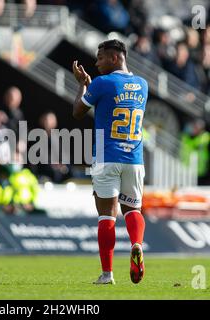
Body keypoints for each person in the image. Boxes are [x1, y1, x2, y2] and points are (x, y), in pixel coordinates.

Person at [72, 39, 148, 285]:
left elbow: (78, 112)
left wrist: (83, 86)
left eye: (100, 58)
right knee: (132, 210)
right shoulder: (143, 85)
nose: (96, 63)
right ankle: (136, 244)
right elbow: (115, 98)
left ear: (115, 58)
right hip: (135, 158)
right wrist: (94, 85)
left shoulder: (102, 84)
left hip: (107, 157)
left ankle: (107, 275)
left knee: (107, 216)